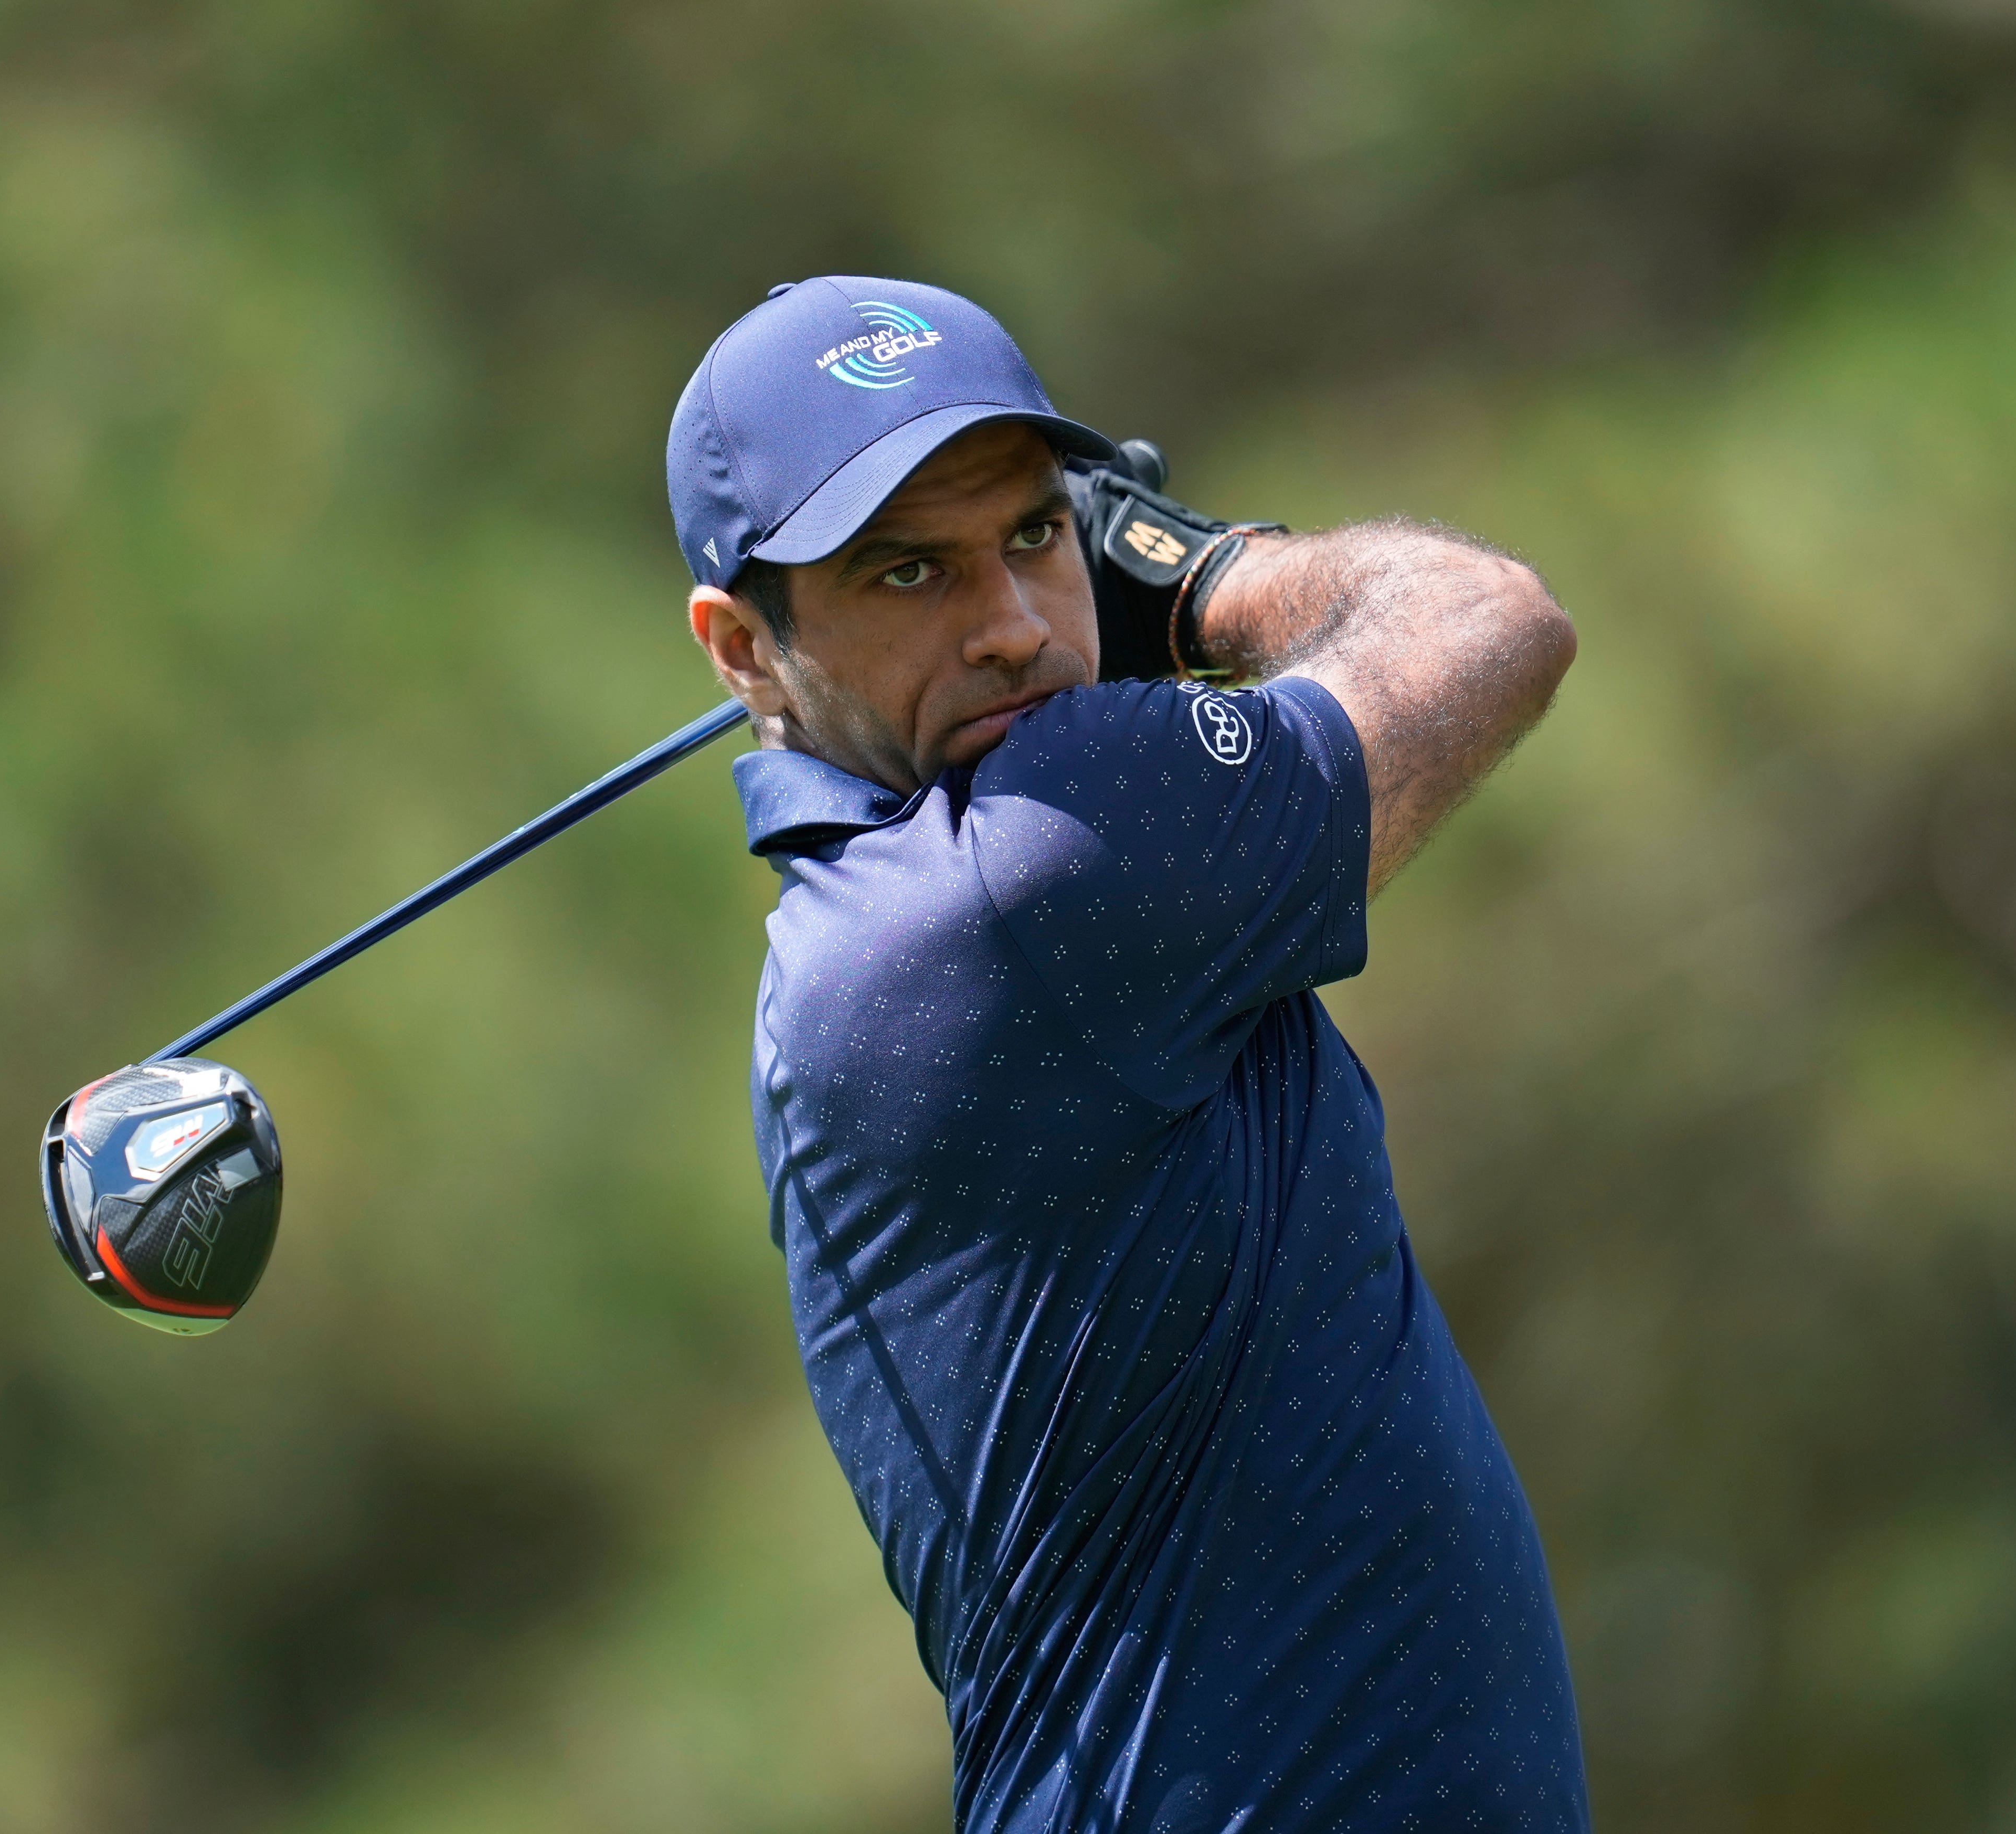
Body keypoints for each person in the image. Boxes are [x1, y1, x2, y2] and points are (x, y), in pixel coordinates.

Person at [670, 277, 1586, 1832]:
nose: (1014, 628)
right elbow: (1490, 622)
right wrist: (1209, 574)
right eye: (910, 573)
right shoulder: (1030, 873)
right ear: (745, 651)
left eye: (1034, 535)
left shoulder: (883, 913)